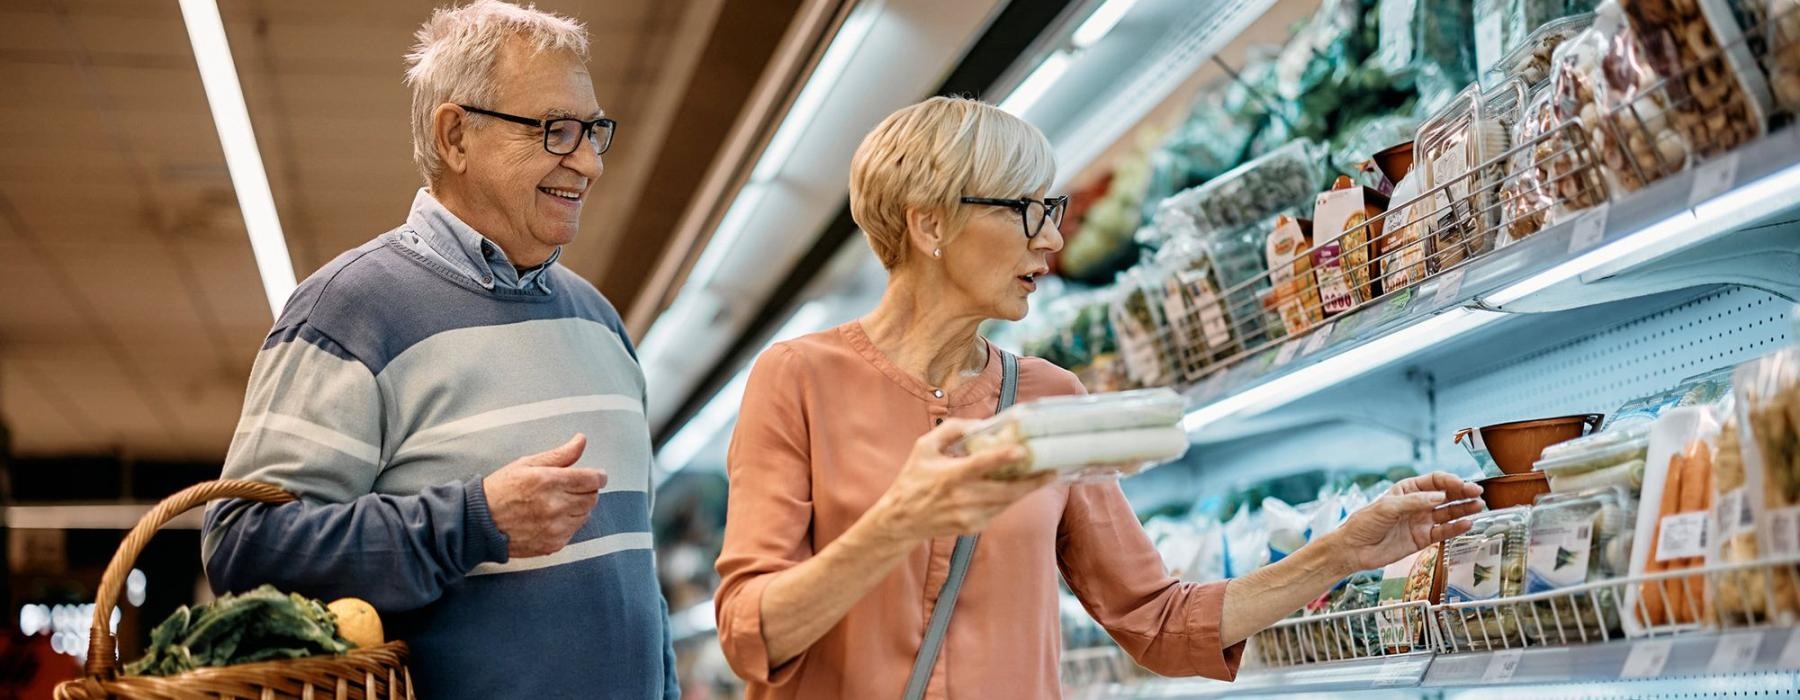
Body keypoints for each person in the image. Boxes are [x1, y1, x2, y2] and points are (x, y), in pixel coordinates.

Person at [712, 96, 1485, 698]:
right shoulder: (799, 378)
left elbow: (1157, 619)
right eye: (1025, 210)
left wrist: (1344, 550)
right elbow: (750, 633)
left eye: (1051, 211)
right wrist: (896, 524)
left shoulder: (1049, 397)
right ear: (929, 223)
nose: (1051, 238)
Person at [201, 2, 676, 697]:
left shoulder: (603, 323)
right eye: (556, 131)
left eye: (593, 131)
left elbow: (641, 581)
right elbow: (243, 546)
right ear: (455, 135)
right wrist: (471, 522)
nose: (589, 163)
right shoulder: (349, 313)